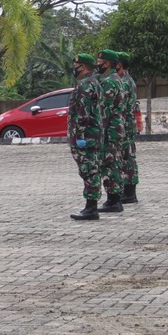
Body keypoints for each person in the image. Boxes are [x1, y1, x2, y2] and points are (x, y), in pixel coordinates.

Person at [68, 53, 104, 220]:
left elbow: (83, 113)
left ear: (83, 67)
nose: (74, 70)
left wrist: (80, 135)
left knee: (89, 170)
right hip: (94, 135)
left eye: (76, 67)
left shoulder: (85, 85)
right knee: (92, 169)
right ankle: (92, 206)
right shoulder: (95, 83)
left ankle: (91, 208)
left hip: (86, 136)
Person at [96, 49, 127, 213]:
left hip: (110, 130)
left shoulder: (109, 82)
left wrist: (99, 133)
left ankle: (114, 200)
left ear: (107, 64)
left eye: (99, 63)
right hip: (116, 128)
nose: (97, 65)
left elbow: (104, 111)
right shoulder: (116, 79)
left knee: (109, 164)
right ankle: (114, 199)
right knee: (113, 162)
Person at [116, 51, 139, 203]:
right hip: (127, 124)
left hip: (124, 125)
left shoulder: (124, 82)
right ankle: (129, 192)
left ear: (119, 65)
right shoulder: (126, 79)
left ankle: (129, 193)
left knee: (126, 158)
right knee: (127, 157)